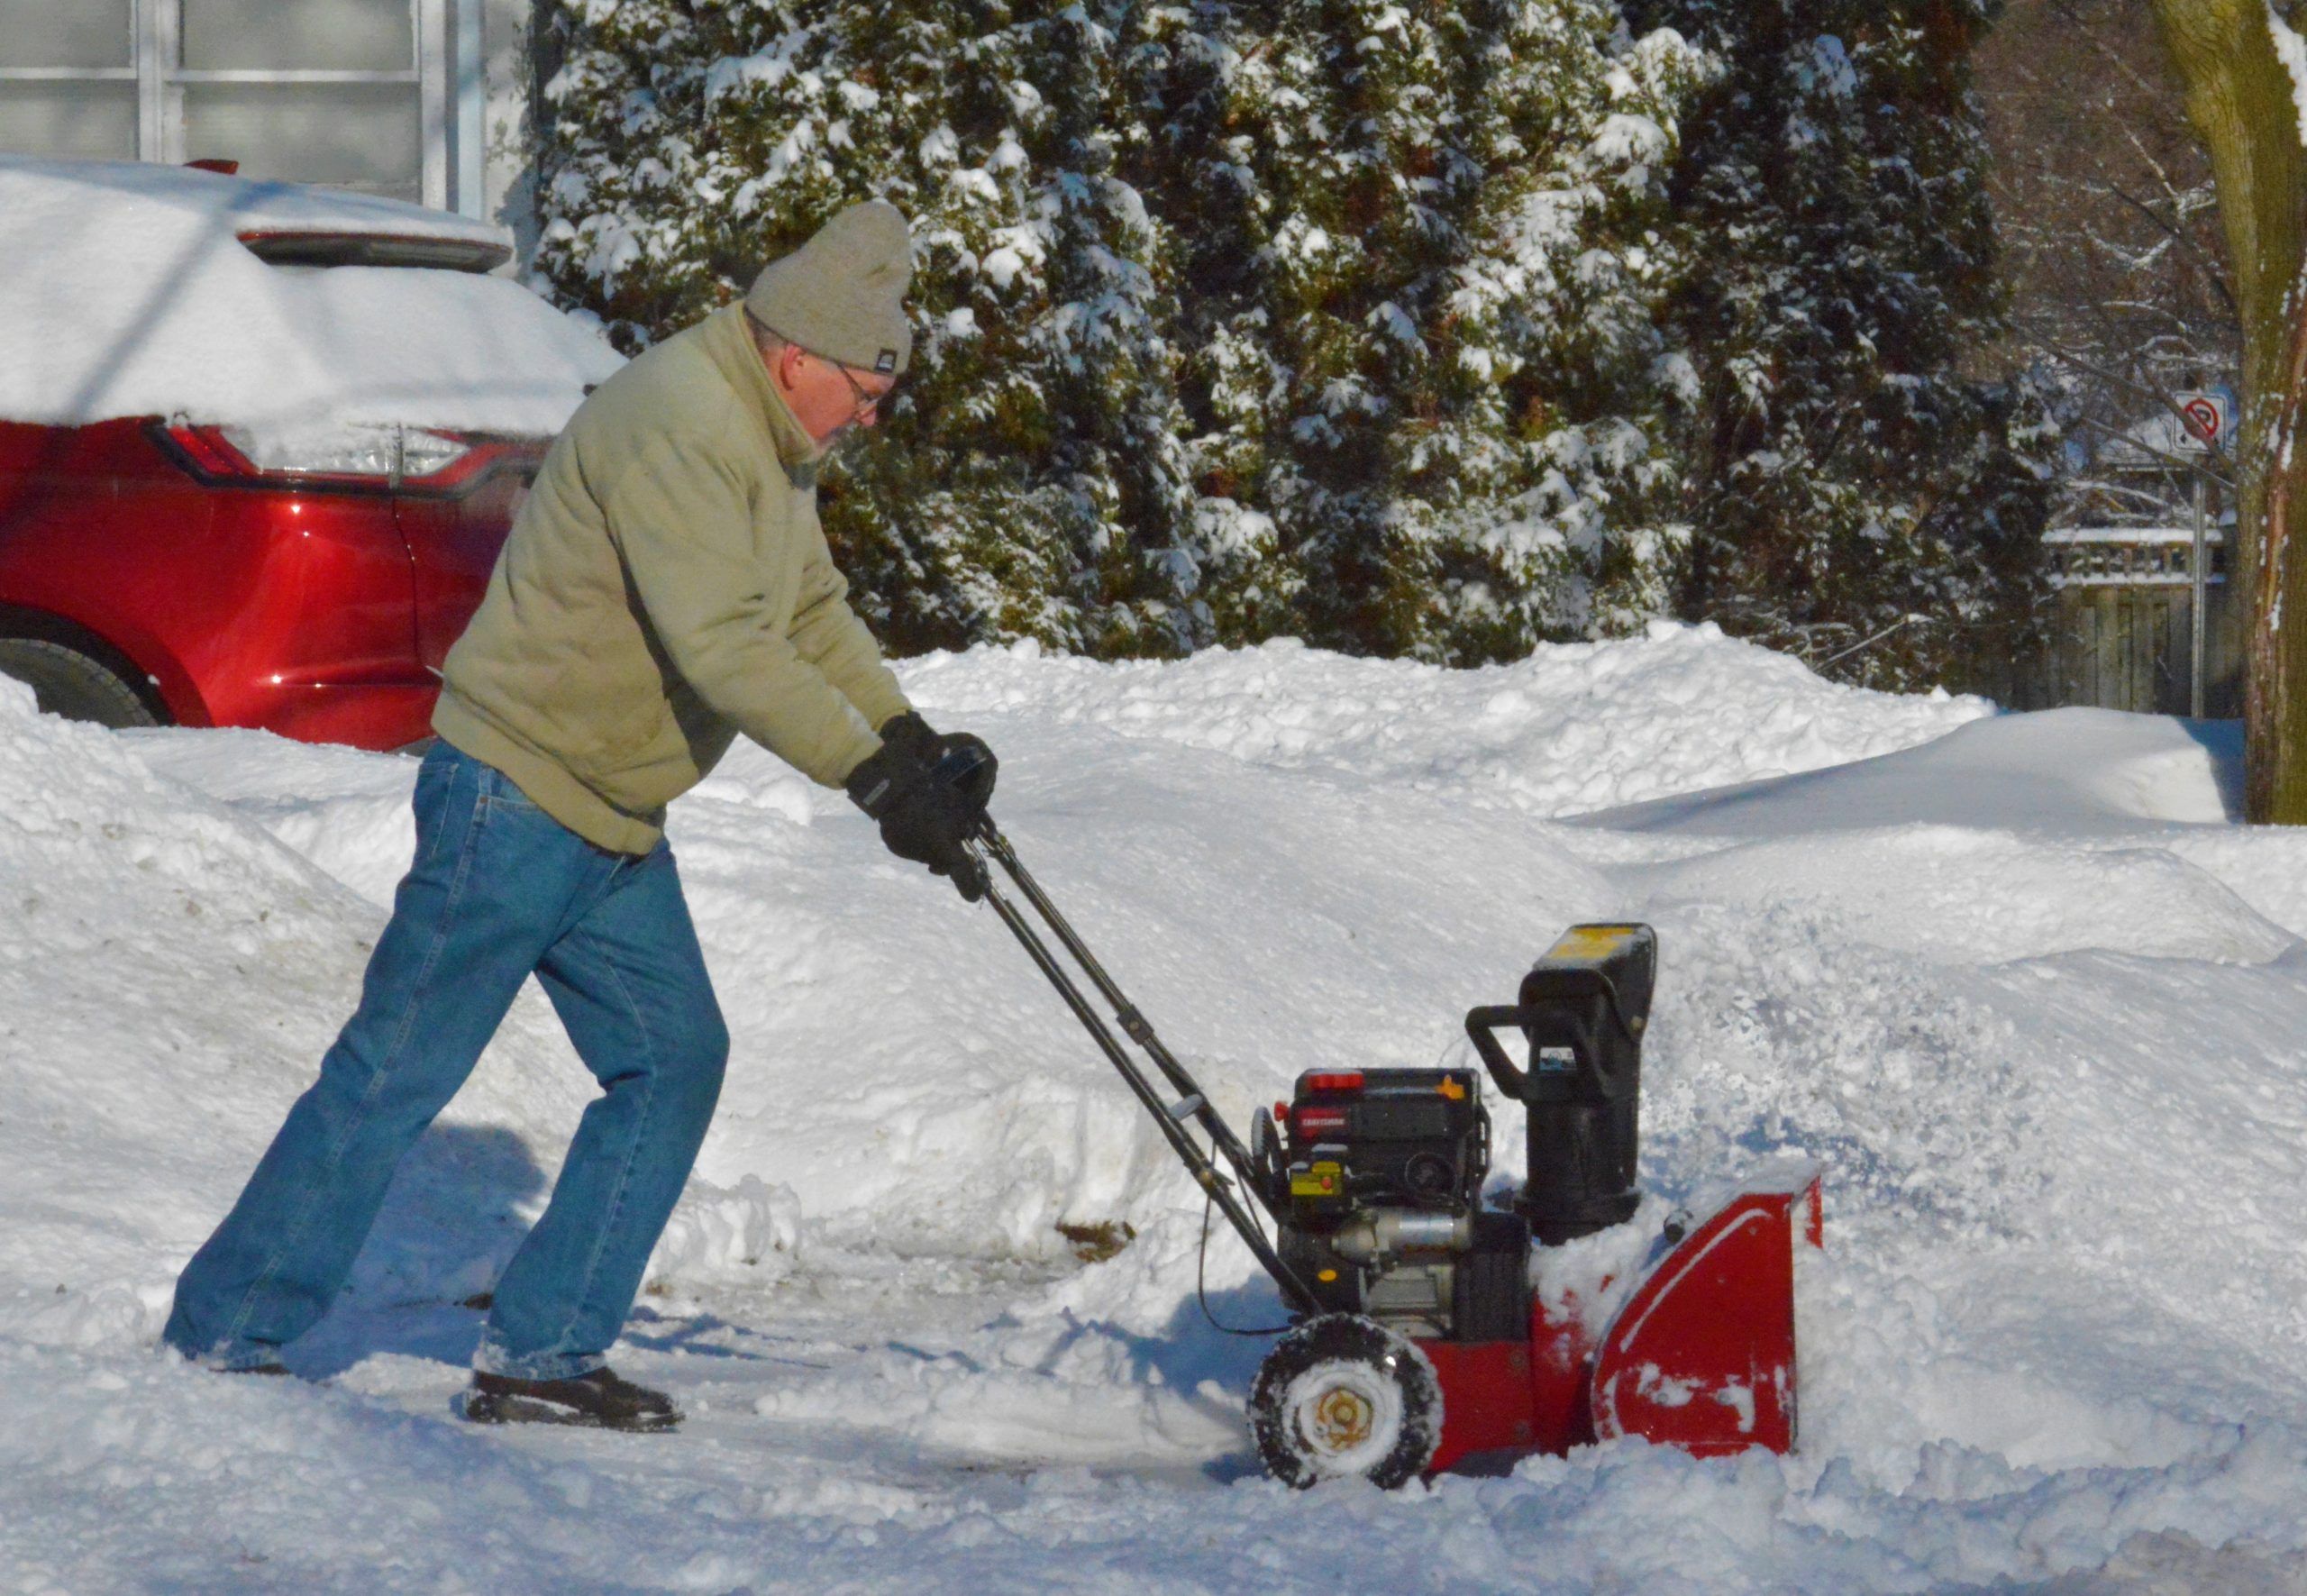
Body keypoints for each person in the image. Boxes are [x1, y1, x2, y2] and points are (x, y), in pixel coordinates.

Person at [160, 200, 989, 1432]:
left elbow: (808, 612)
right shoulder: (682, 421)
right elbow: (723, 647)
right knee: (395, 1071)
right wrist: (866, 780)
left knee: (672, 1058)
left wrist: (908, 737)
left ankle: (543, 1355)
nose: (870, 415)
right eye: (868, 389)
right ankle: (226, 1332)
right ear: (799, 354)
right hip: (516, 794)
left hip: (609, 811)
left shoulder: (772, 438)